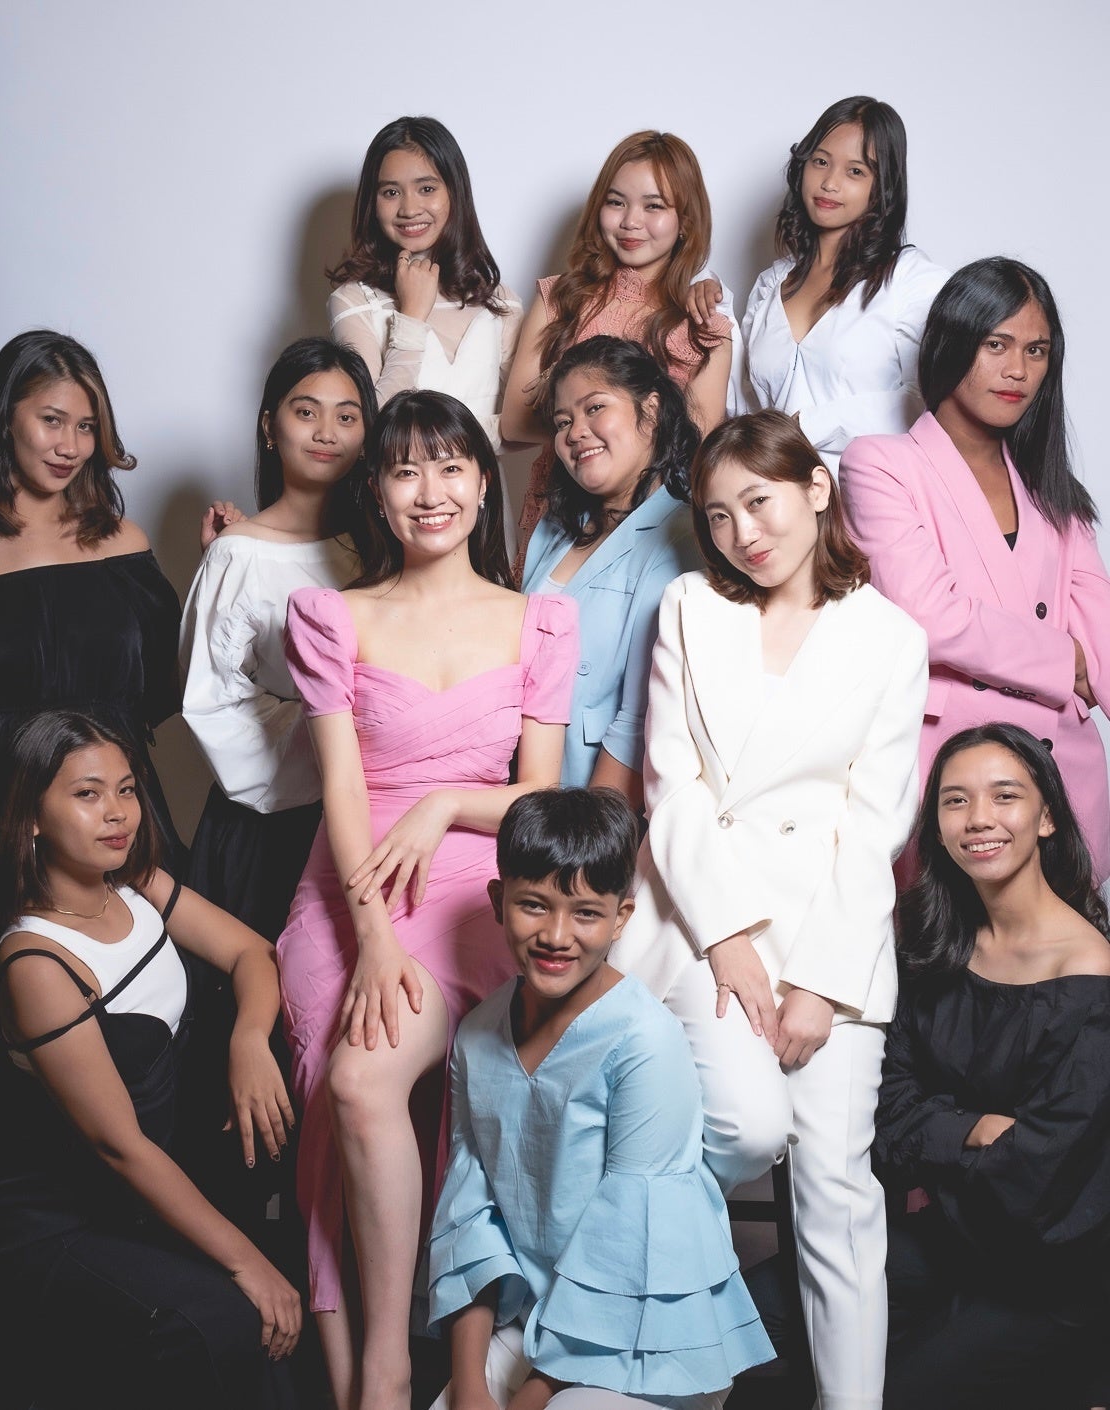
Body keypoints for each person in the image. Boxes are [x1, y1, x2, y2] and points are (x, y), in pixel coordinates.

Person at [612, 409, 929, 1410]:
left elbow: (874, 826)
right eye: (717, 515)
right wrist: (729, 941)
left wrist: (819, 985)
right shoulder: (690, 608)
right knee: (744, 1129)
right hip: (702, 926)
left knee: (838, 1192)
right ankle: (658, 1355)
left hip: (835, 934)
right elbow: (673, 788)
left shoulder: (891, 638)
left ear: (816, 489)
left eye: (759, 501)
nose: (742, 532)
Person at [275, 389, 578, 1410]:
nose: (430, 490)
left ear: (484, 482)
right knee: (346, 1089)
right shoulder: (333, 616)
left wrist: (446, 803)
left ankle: (390, 1364)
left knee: (366, 1080)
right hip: (352, 882)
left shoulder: (540, 620)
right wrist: (370, 938)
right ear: (377, 491)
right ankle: (373, 1370)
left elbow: (539, 794)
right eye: (405, 470)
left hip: (472, 884)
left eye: (450, 466)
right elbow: (342, 789)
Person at [0, 711, 302, 1410]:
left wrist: (248, 1040)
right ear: (31, 816)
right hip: (61, 1220)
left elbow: (252, 953)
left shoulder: (135, 882)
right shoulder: (36, 962)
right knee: (234, 1315)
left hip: (154, 1181)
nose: (117, 812)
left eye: (126, 789)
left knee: (278, 1292)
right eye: (87, 793)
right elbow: (119, 1146)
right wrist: (248, 1264)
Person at [428, 786, 774, 1410]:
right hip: (535, 1317)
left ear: (621, 918)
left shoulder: (644, 1039)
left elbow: (627, 1248)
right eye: (534, 905)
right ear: (498, 901)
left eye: (586, 913)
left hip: (648, 1335)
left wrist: (529, 1399)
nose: (557, 935)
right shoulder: (476, 1035)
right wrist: (470, 1386)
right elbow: (471, 1218)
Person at [840, 256, 1110, 882]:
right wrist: (1064, 661)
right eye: (997, 345)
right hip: (955, 778)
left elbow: (1100, 632)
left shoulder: (1054, 490)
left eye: (1037, 351)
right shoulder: (881, 464)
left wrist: (1085, 661)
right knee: (951, 942)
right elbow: (931, 617)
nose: (1018, 370)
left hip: (1064, 784)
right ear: (952, 342)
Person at [874, 723, 1110, 1410]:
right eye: (955, 800)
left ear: (1047, 817)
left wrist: (934, 1132)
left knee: (884, 1397)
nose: (978, 818)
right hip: (947, 1242)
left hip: (1048, 1281)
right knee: (760, 1316)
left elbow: (1040, 1182)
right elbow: (884, 1116)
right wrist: (974, 1129)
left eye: (1004, 796)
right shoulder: (935, 944)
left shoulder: (1093, 977)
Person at [180, 337, 375, 940]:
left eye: (347, 416)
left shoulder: (383, 546)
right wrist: (336, 738)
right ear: (270, 427)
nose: (327, 432)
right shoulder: (238, 555)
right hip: (272, 828)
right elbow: (211, 702)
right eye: (306, 411)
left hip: (376, 816)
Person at [0, 330, 182, 876]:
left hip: (113, 823)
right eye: (52, 420)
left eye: (86, 427)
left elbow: (165, 686)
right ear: (5, 417)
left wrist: (221, 577)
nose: (70, 447)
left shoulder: (123, 545)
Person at [501, 130, 732, 568]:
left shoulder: (701, 323)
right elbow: (514, 420)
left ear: (686, 220)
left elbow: (699, 443)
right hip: (559, 510)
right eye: (616, 202)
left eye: (654, 206)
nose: (630, 222)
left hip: (656, 523)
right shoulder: (559, 299)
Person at [693, 96, 947, 472]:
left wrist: (804, 427)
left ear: (883, 186)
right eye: (821, 161)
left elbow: (926, 400)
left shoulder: (913, 282)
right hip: (774, 494)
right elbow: (745, 407)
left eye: (855, 171)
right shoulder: (771, 284)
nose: (829, 183)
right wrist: (712, 303)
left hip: (872, 493)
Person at [520, 336, 701, 804]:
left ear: (651, 410)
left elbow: (642, 719)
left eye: (594, 407)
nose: (575, 432)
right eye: (563, 422)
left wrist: (591, 832)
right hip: (517, 785)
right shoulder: (553, 529)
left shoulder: (682, 534)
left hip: (588, 804)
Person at [327, 115, 521, 451]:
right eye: (391, 192)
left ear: (455, 193)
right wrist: (412, 315)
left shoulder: (500, 301)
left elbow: (528, 424)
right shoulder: (354, 301)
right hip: (396, 486)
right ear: (373, 202)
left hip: (484, 486)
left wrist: (444, 443)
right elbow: (371, 428)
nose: (409, 208)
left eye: (427, 189)